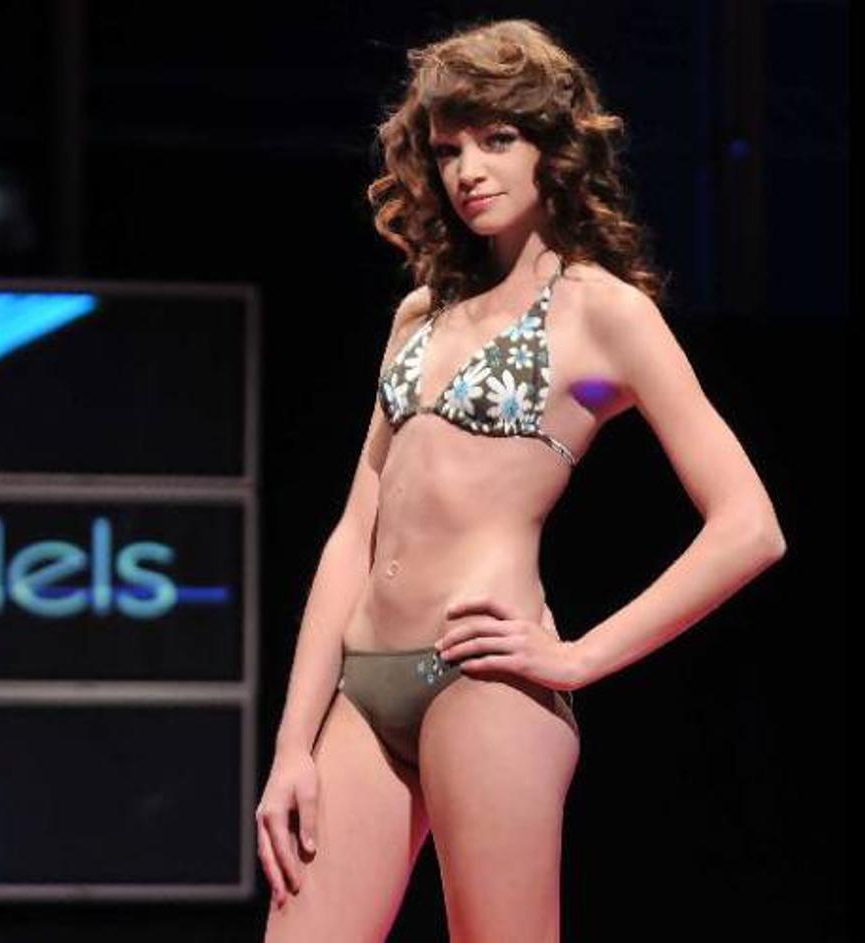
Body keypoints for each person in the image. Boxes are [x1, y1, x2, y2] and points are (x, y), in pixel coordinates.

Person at [257, 18, 787, 943]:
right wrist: (291, 742)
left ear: (552, 147)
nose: (468, 169)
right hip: (362, 688)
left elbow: (749, 525)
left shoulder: (602, 313)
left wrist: (579, 655)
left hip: (484, 683)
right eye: (448, 149)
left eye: (497, 139)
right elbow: (354, 531)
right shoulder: (420, 312)